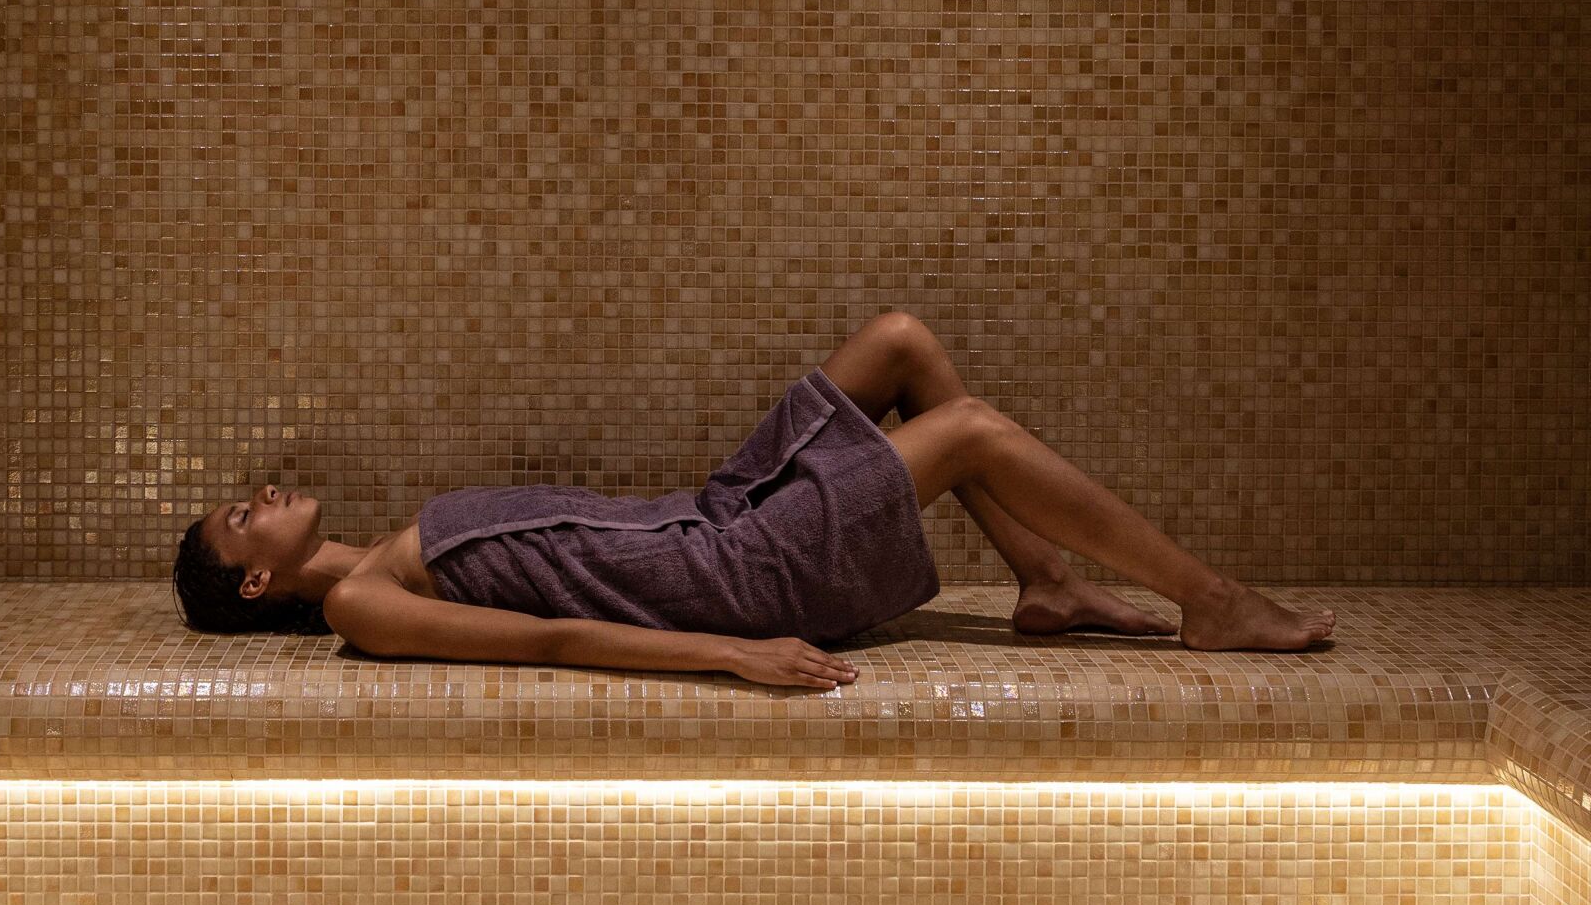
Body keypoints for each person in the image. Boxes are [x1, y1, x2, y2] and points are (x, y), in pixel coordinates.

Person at [171, 311, 1334, 688]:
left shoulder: (391, 547)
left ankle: (1047, 581)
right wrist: (733, 655)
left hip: (709, 517)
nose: (261, 494)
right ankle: (1210, 599)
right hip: (728, 577)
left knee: (899, 342)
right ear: (258, 578)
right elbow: (551, 637)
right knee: (972, 432)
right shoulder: (362, 604)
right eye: (242, 515)